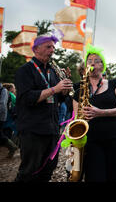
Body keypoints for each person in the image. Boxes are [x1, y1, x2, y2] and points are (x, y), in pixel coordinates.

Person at [14, 35, 73, 182]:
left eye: (53, 47)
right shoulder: (25, 70)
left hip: (51, 130)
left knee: (48, 170)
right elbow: (27, 98)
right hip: (33, 130)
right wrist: (55, 89)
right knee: (28, 172)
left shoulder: (52, 71)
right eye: (48, 47)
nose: (52, 50)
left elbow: (58, 99)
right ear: (36, 49)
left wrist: (64, 90)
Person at [72, 44, 116, 182]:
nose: (92, 63)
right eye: (89, 61)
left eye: (97, 60)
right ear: (85, 66)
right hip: (91, 141)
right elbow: (76, 118)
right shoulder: (79, 88)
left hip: (115, 139)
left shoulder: (115, 84)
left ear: (102, 65)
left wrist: (100, 112)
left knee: (113, 178)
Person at [0, 82, 18, 158]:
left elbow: (3, 105)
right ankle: (12, 146)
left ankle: (12, 146)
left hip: (6, 116)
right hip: (8, 117)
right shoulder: (8, 93)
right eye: (14, 88)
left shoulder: (4, 91)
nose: (15, 89)